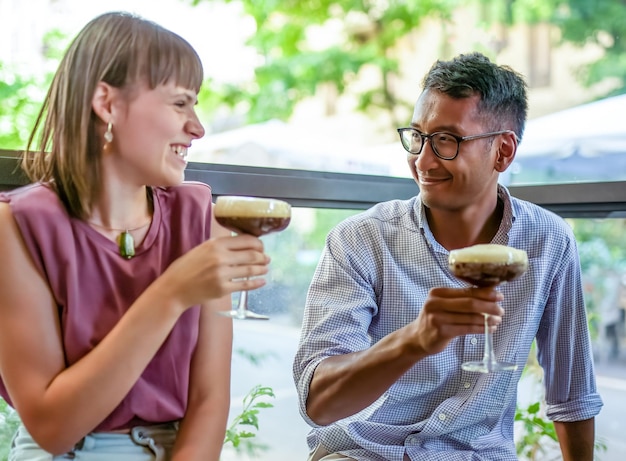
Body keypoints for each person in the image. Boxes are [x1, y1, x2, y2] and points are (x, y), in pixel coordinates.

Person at [293, 52, 603, 461]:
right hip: (364, 454)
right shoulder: (361, 240)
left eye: (445, 140)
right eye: (417, 136)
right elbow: (317, 404)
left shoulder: (548, 242)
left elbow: (572, 394)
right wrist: (414, 341)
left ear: (503, 152)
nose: (422, 160)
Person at [0, 11, 271, 461]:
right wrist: (173, 292)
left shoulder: (200, 219)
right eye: (181, 103)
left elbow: (209, 402)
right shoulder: (18, 227)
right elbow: (52, 427)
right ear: (107, 104)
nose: (198, 127)